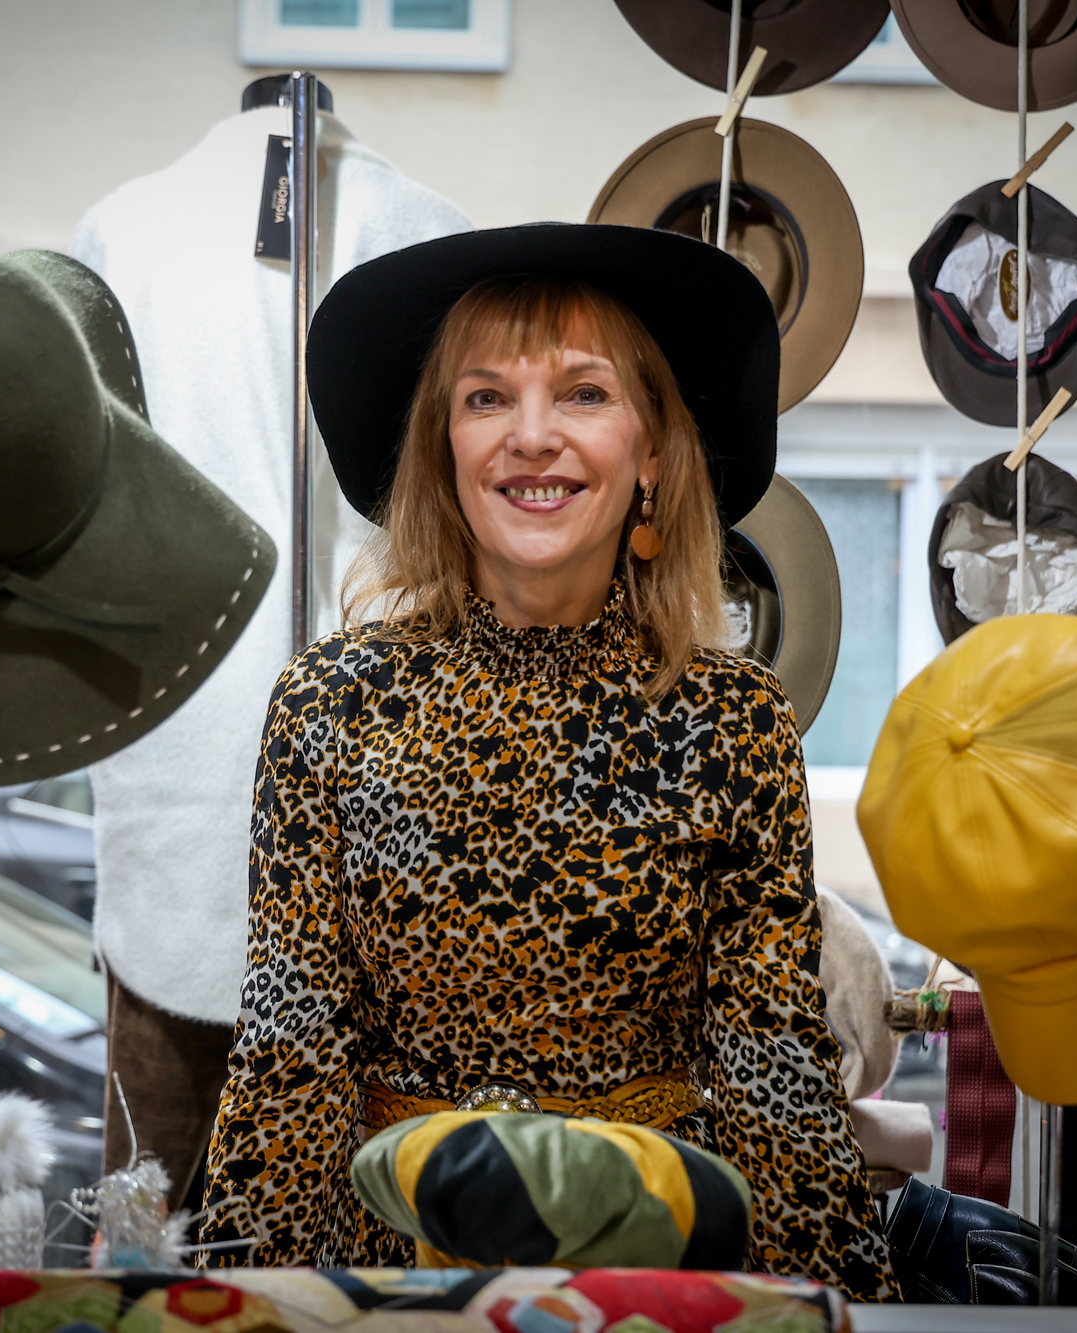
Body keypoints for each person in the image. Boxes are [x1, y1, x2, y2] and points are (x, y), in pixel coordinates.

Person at [197, 224, 897, 1299]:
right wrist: (243, 1307)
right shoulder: (328, 706)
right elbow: (291, 1048)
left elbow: (773, 1068)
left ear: (652, 449)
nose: (531, 436)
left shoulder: (735, 723)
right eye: (486, 397)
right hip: (397, 1277)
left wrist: (839, 1309)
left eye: (583, 393)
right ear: (441, 446)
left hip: (644, 1273)